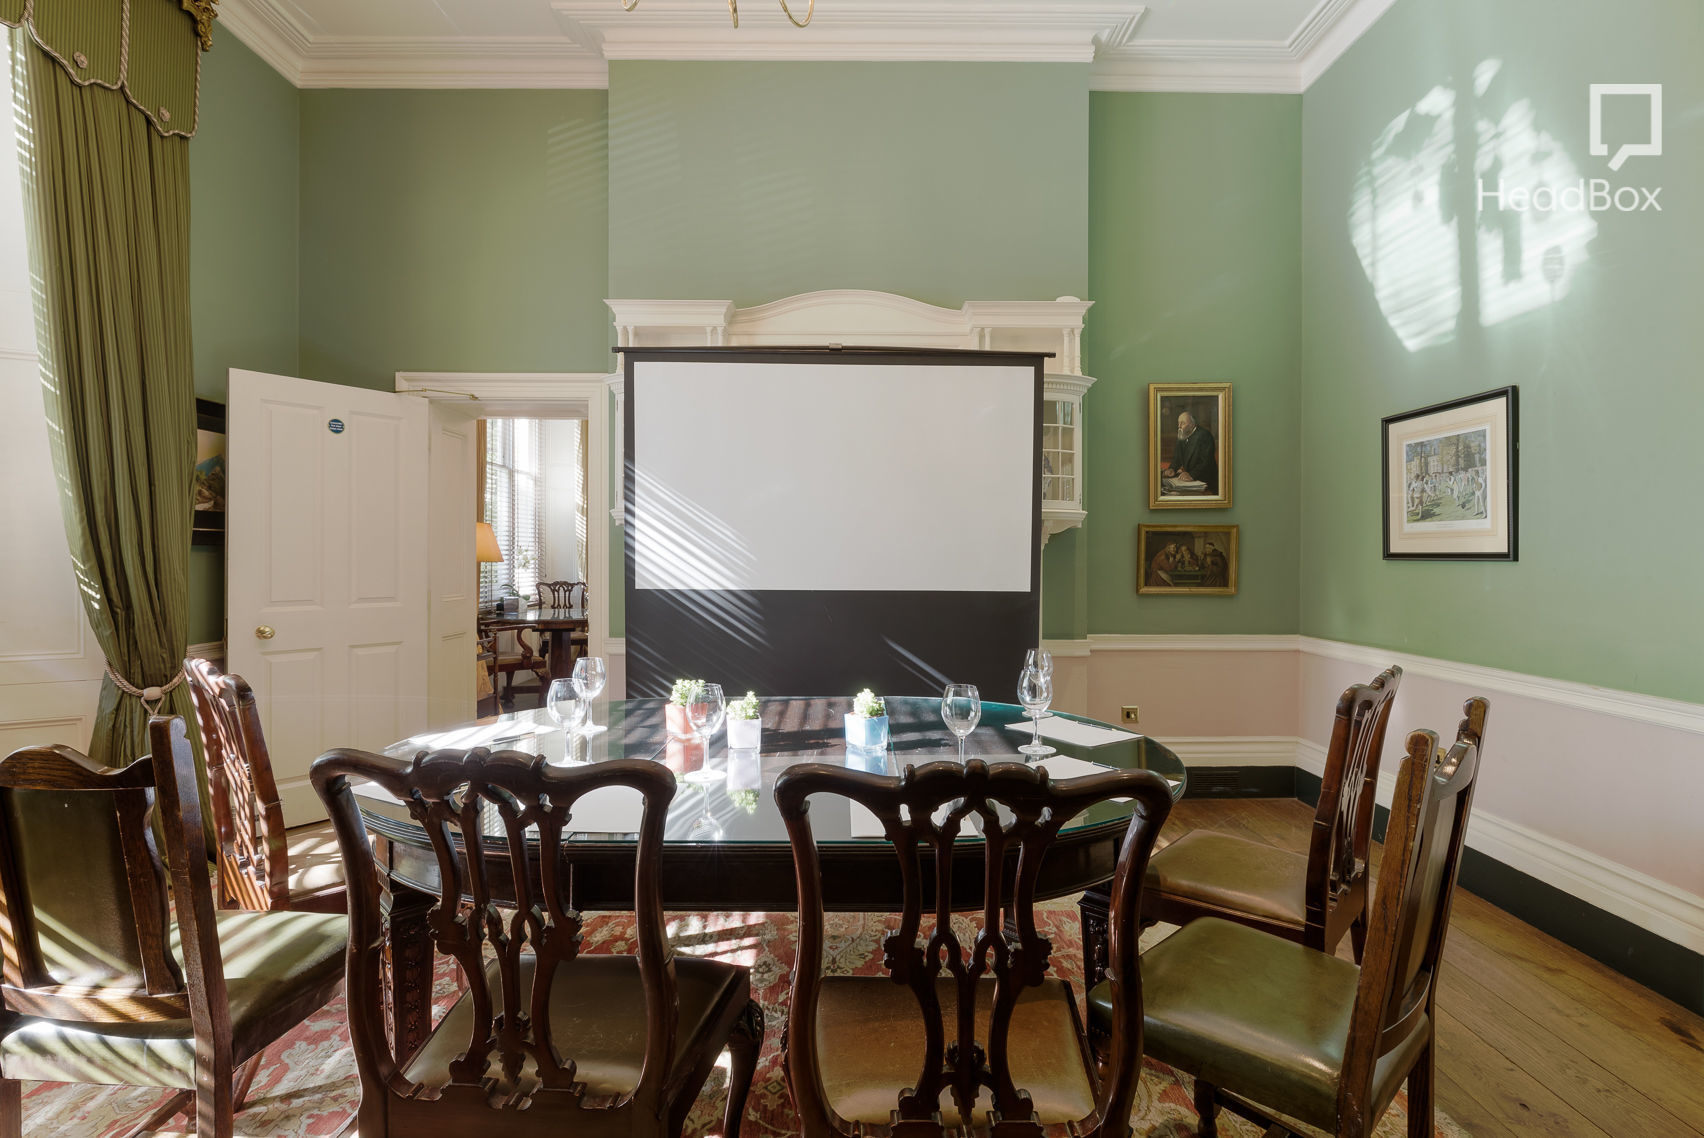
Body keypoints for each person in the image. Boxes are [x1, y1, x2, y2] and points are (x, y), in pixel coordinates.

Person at [1163, 411, 1218, 495]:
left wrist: (1192, 474)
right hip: (1188, 480)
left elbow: (1205, 462)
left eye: (1183, 423)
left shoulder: (1204, 435)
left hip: (1205, 481)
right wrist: (1172, 468)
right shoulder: (1182, 434)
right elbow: (1177, 457)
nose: (1179, 426)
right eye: (1178, 423)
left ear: (1192, 425)